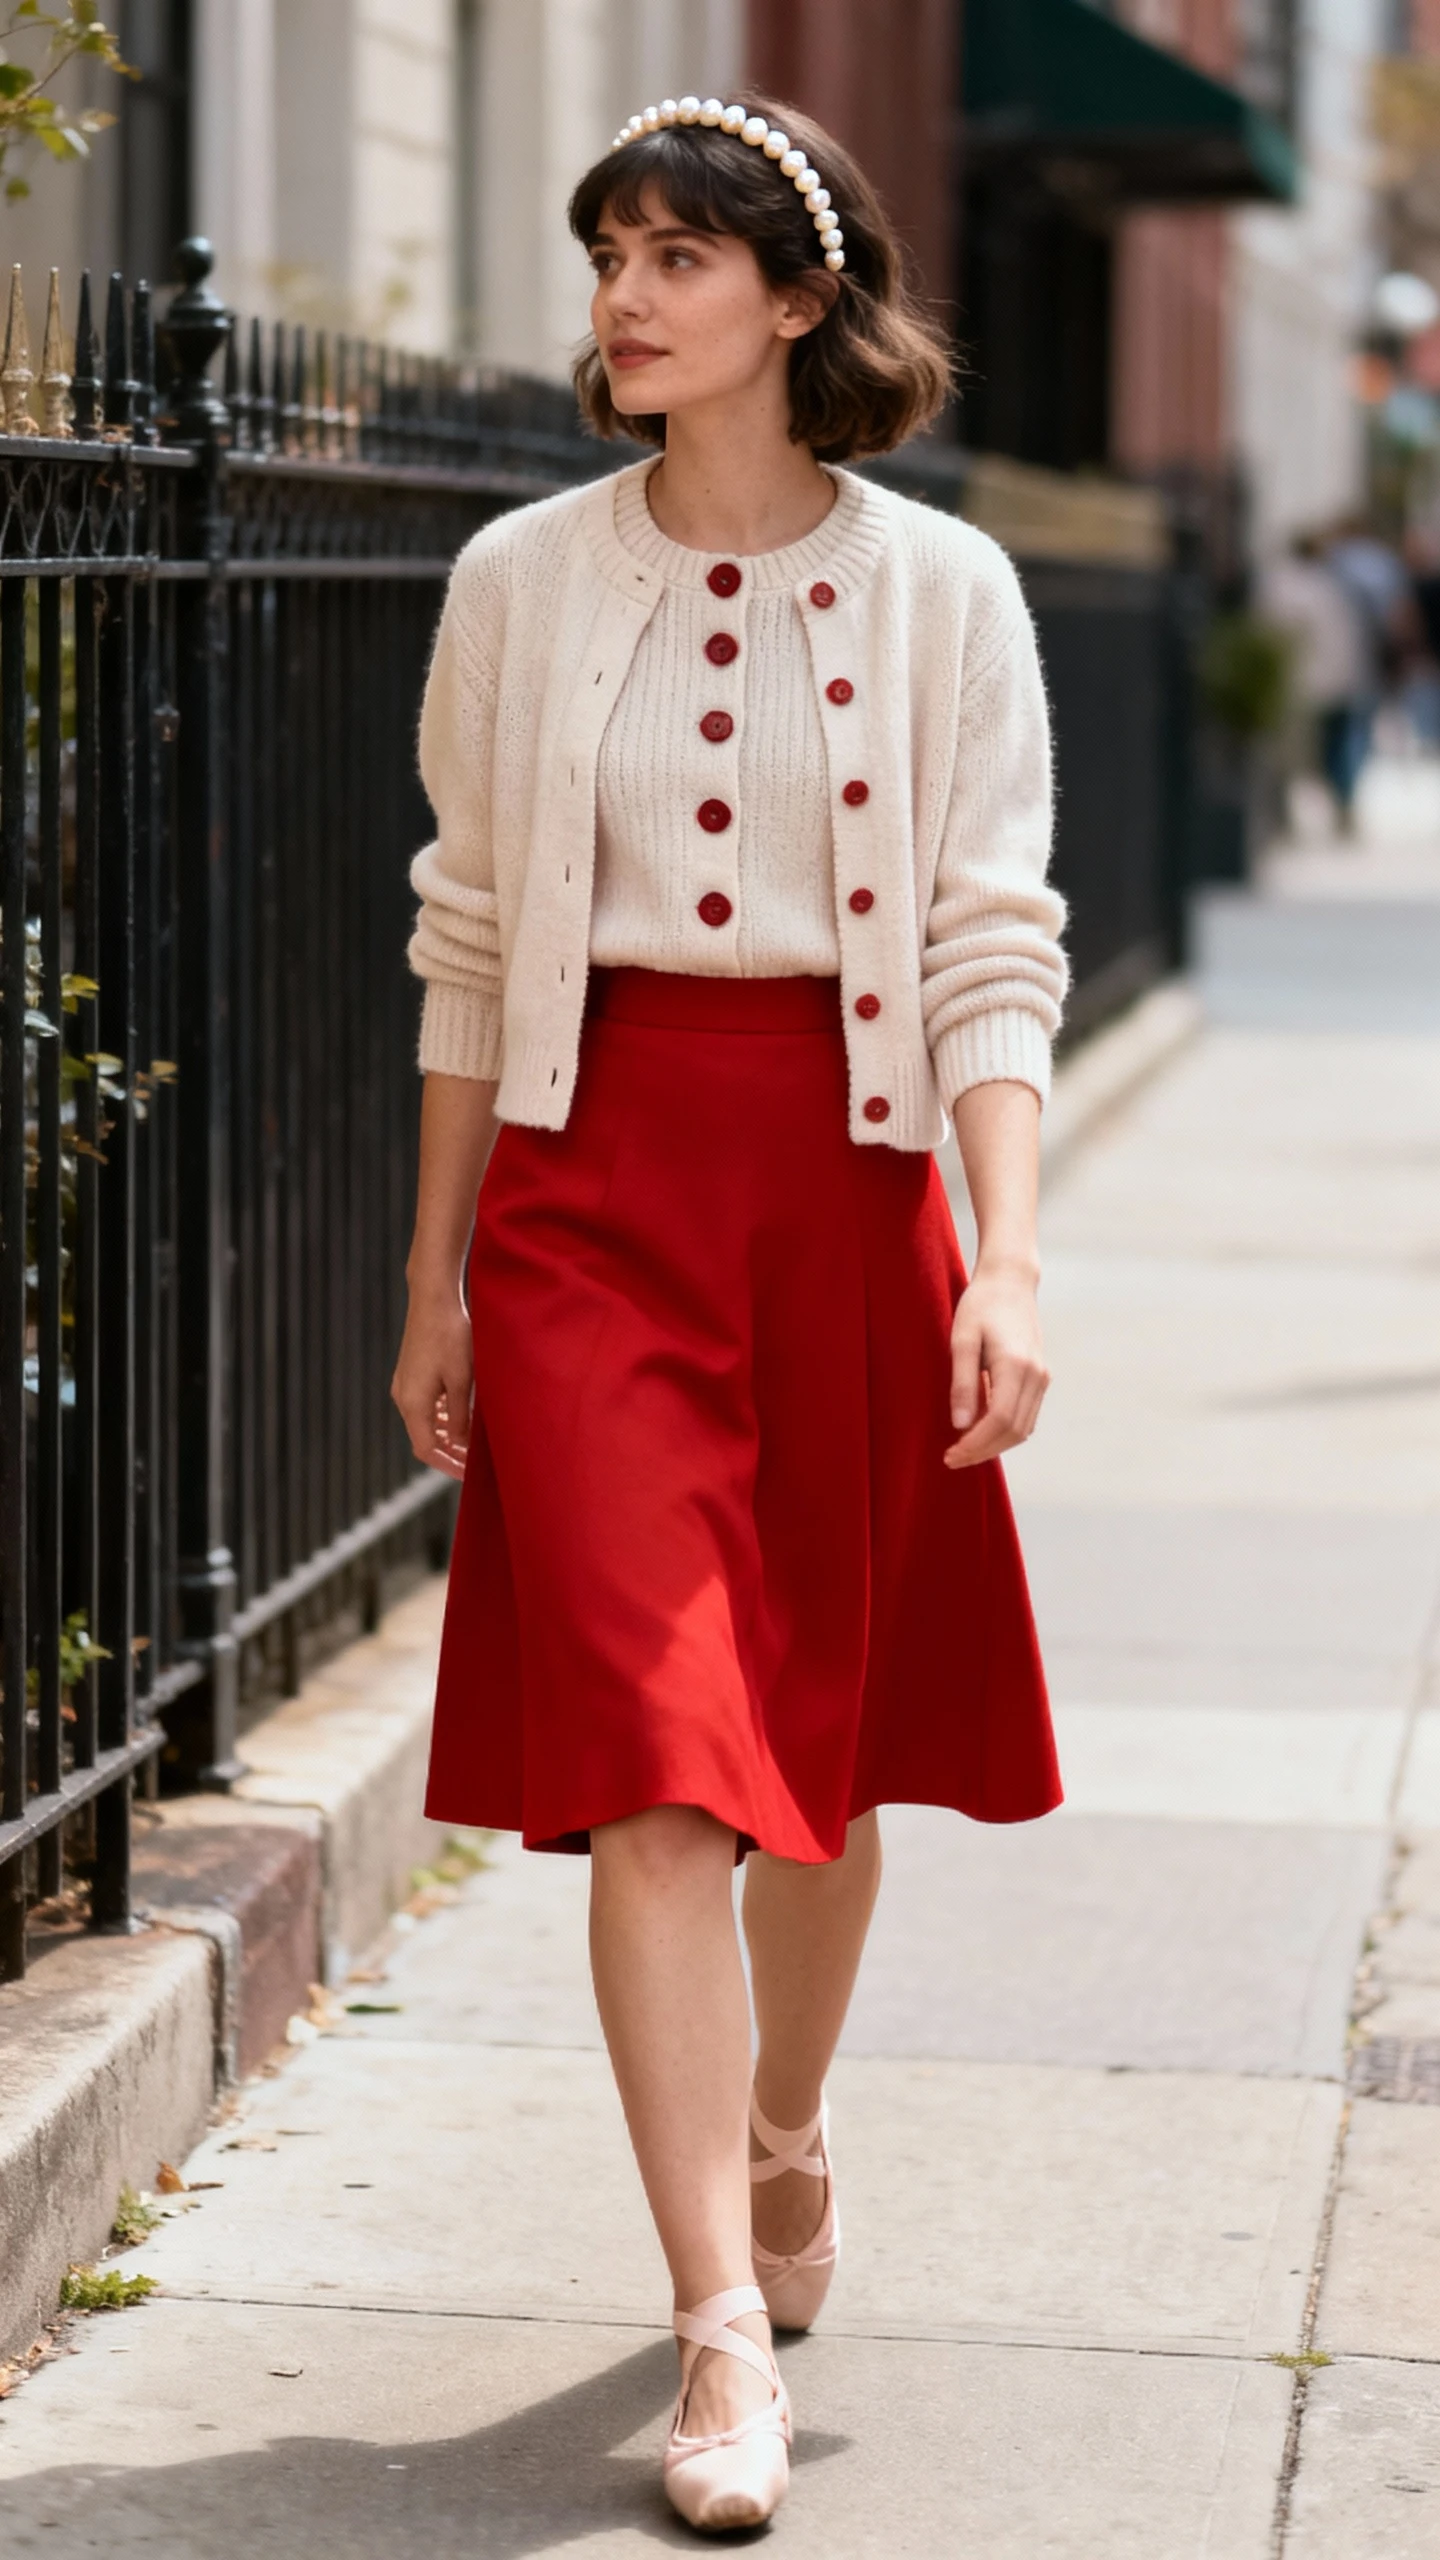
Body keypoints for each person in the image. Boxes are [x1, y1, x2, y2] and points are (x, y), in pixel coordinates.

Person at [391, 91, 1066, 2537]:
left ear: (798, 304)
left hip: (853, 1181)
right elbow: (469, 938)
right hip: (592, 1194)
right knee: (663, 1761)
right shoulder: (514, 579)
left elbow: (990, 934)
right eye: (609, 256)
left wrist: (1003, 1244)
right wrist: (434, 1264)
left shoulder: (941, 595)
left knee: (821, 1749)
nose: (627, 296)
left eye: (680, 257)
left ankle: (785, 2125)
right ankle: (709, 2319)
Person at [1260, 531, 1370, 824]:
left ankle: (1293, 812)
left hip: (1302, 685)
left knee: (1294, 754)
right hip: (1329, 683)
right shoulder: (1330, 587)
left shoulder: (1283, 588)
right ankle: (1340, 806)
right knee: (1329, 751)